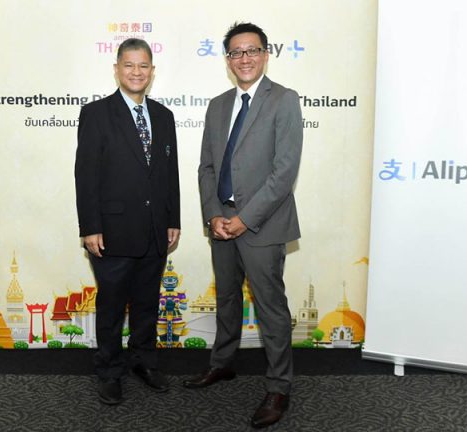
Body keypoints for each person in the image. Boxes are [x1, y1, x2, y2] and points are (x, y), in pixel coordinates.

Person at [186, 22, 303, 429]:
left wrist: (244, 219)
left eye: (252, 50)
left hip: (262, 225)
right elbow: (206, 167)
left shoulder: (284, 100)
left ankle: (279, 387)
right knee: (227, 298)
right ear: (228, 60)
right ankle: (222, 363)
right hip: (221, 222)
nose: (244, 58)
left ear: (265, 54)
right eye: (236, 52)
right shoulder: (218, 105)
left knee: (270, 307)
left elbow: (284, 173)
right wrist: (214, 215)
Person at [74, 38, 180, 405]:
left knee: (148, 303)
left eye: (143, 66)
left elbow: (169, 173)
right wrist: (90, 227)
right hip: (112, 232)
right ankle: (109, 370)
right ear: (117, 69)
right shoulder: (96, 114)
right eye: (129, 65)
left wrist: (173, 218)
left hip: (155, 230)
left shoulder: (164, 116)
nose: (137, 72)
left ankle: (144, 362)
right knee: (112, 307)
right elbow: (86, 175)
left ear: (152, 71)